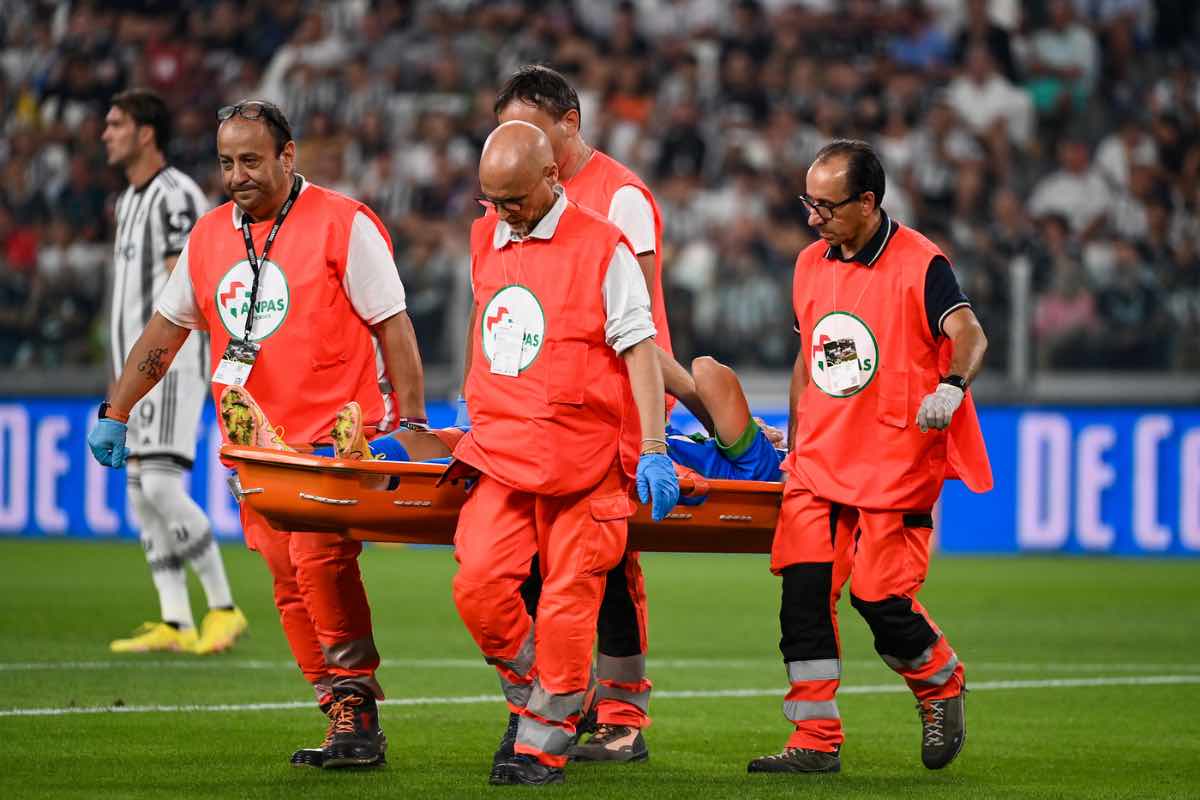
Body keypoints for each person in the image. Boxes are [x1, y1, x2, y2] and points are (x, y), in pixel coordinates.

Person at [88, 100, 427, 770]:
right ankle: (338, 710)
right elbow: (165, 332)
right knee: (284, 578)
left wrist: (410, 424)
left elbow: (394, 327)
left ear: (287, 155)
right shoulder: (211, 237)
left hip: (333, 446)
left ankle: (356, 704)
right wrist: (117, 410)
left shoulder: (344, 224)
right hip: (256, 449)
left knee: (317, 563)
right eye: (226, 162)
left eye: (250, 160)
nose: (237, 175)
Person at [747, 140, 992, 775]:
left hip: (894, 464)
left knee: (881, 601)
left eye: (826, 205)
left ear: (868, 202)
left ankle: (939, 682)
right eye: (808, 203)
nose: (812, 218)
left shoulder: (921, 263)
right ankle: (813, 740)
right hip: (819, 465)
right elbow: (810, 357)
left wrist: (951, 386)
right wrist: (795, 439)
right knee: (802, 598)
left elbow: (969, 333)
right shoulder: (808, 264)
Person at [452, 121, 678, 786]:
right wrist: (468, 398)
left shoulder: (604, 248)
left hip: (584, 463)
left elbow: (640, 347)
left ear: (552, 177)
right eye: (490, 201)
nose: (503, 215)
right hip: (502, 451)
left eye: (514, 200)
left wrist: (656, 447)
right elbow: (485, 320)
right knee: (479, 587)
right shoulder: (485, 235)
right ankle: (555, 691)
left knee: (567, 602)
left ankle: (540, 748)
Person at [100, 88, 246, 656]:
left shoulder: (174, 195)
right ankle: (176, 619)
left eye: (116, 124)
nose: (105, 133)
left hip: (171, 365)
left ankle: (223, 608)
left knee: (160, 483)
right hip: (133, 372)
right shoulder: (128, 202)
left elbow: (190, 284)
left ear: (144, 133)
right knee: (140, 494)